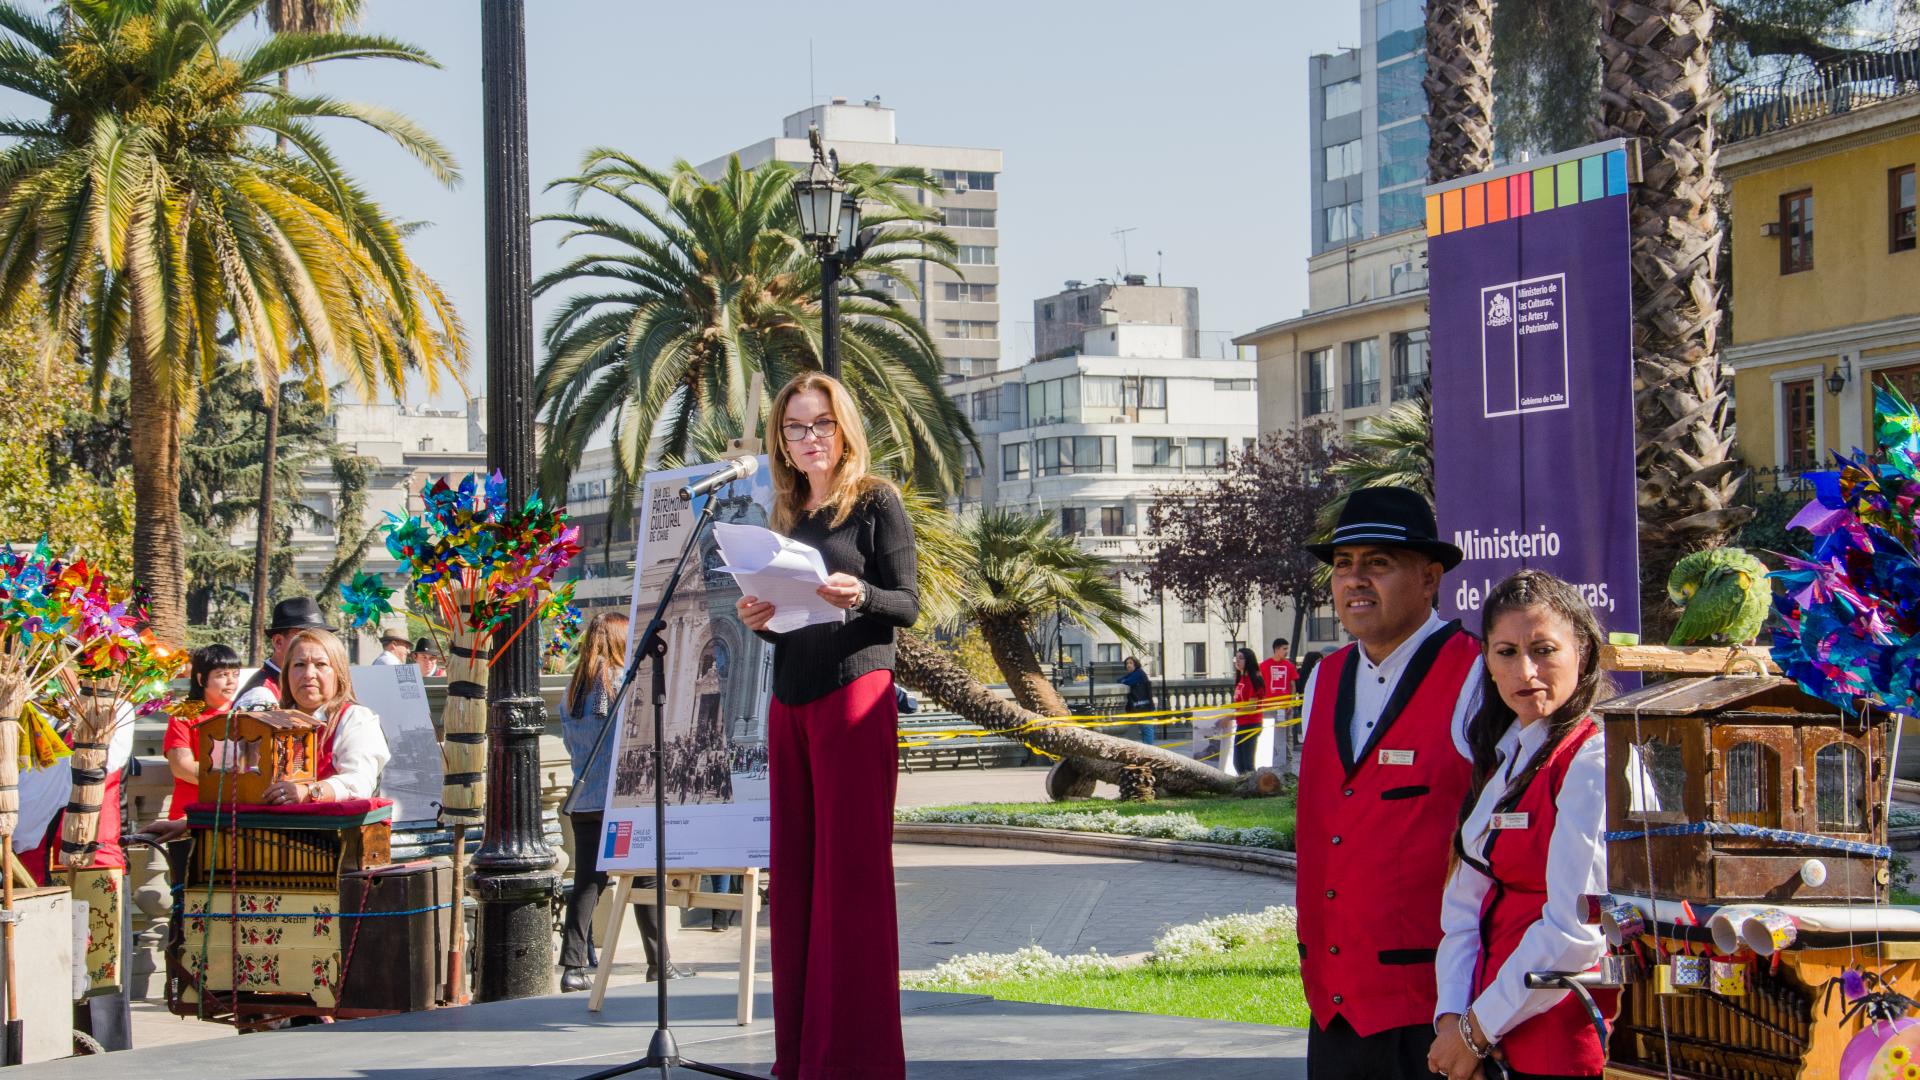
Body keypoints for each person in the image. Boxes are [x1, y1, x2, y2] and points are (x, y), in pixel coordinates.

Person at [735, 371, 919, 1080]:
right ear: (781, 441)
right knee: (797, 884)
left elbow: (905, 604)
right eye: (794, 428)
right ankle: (804, 1056)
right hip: (792, 705)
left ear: (844, 429)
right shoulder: (786, 519)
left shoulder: (875, 503)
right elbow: (790, 626)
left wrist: (861, 591)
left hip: (853, 697)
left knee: (850, 881)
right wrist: (762, 621)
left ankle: (856, 1059)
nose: (809, 439)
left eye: (821, 425)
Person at [1294, 486, 1483, 1079]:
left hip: (1434, 1010)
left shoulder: (1478, 673)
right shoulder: (1322, 679)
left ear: (1430, 579)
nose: (1355, 580)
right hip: (1332, 1008)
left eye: (1378, 563)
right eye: (1343, 565)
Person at [1429, 571, 1611, 1080]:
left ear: (1584, 653)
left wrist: (1474, 1030)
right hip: (1492, 1042)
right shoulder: (1507, 754)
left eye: (1544, 649)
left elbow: (1576, 932)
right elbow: (1463, 907)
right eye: (1506, 652)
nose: (1526, 670)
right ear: (1486, 662)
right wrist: (1451, 1019)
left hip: (1558, 1043)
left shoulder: (1593, 761)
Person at [557, 611, 677, 991]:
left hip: (585, 797)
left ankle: (572, 967)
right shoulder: (618, 682)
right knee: (645, 878)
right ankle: (659, 963)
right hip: (622, 799)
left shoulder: (573, 690)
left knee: (588, 883)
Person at [267, 629, 391, 804]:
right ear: (286, 674)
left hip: (334, 830)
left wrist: (308, 793)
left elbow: (358, 782)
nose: (309, 674)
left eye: (321, 665)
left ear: (339, 673)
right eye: (299, 665)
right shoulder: (272, 721)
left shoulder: (355, 718)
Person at [164, 644, 242, 819]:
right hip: (190, 816)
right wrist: (233, 779)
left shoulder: (245, 712)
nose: (231, 681)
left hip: (236, 815)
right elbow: (182, 766)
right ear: (201, 679)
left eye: (235, 674)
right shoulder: (183, 714)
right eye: (222, 675)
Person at [235, 596, 331, 710]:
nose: (314, 644)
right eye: (304, 637)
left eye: (319, 636)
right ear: (278, 642)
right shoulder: (260, 696)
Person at [1230, 646, 1265, 774]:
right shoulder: (1240, 679)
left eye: (1241, 658)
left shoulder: (1253, 679)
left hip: (1251, 723)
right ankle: (1244, 786)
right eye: (1236, 658)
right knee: (1237, 762)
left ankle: (1253, 787)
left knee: (1247, 763)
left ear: (1248, 660)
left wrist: (1230, 717)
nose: (1237, 661)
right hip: (1241, 723)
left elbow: (1251, 706)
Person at [1119, 655, 1155, 744]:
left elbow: (1126, 681)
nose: (1128, 665)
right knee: (1143, 729)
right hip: (1139, 706)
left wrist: (1123, 681)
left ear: (1136, 664)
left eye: (1131, 663)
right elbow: (1119, 680)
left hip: (1145, 706)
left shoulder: (1139, 673)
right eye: (1127, 663)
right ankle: (1147, 748)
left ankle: (1150, 750)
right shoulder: (1132, 674)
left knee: (1147, 728)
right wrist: (1123, 680)